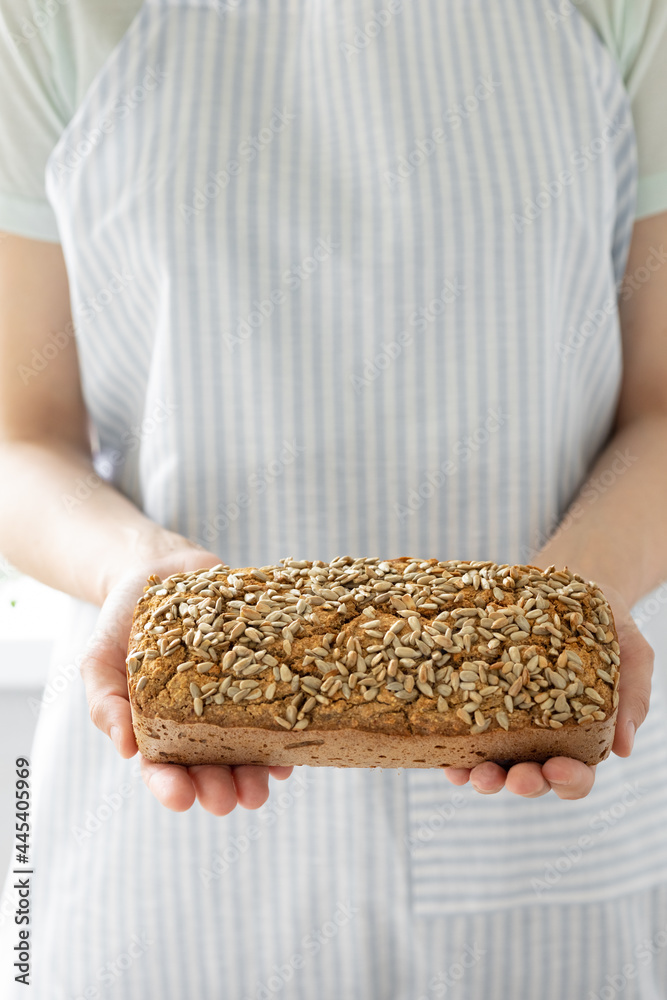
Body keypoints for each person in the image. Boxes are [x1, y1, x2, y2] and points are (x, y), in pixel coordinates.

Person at [1, 0, 667, 996]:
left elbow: (660, 407)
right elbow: (19, 432)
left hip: (542, 837)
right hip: (161, 836)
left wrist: (568, 601)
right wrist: (130, 569)